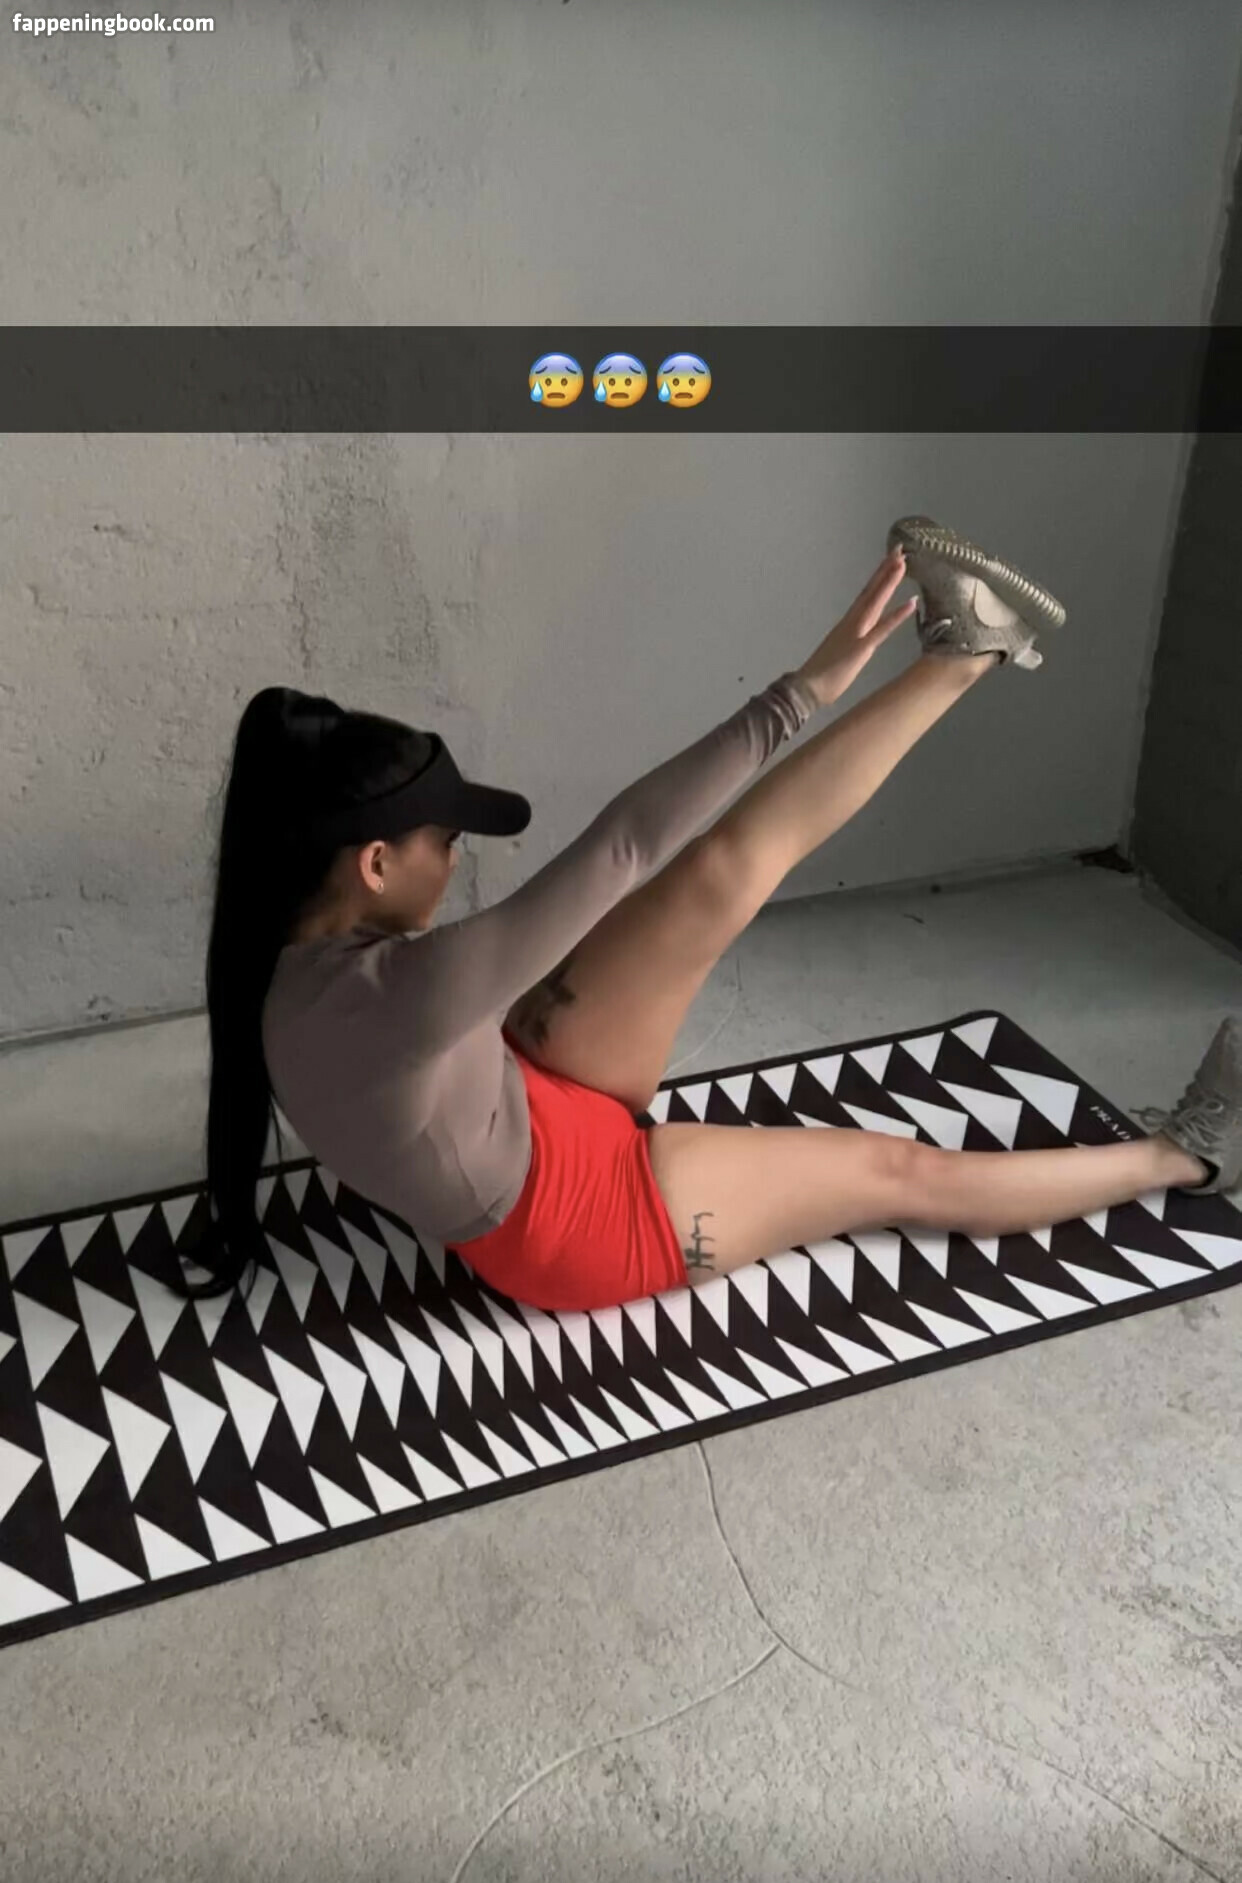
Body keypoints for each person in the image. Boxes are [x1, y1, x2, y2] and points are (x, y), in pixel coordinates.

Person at [173, 519, 1234, 1312]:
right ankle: (1184, 1154)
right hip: (580, 1226)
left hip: (523, 1091)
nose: (457, 857)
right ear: (371, 863)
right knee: (895, 1171)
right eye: (445, 840)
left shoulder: (275, 963)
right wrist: (799, 691)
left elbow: (648, 866)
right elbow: (622, 847)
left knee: (723, 868)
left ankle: (968, 649)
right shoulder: (409, 991)